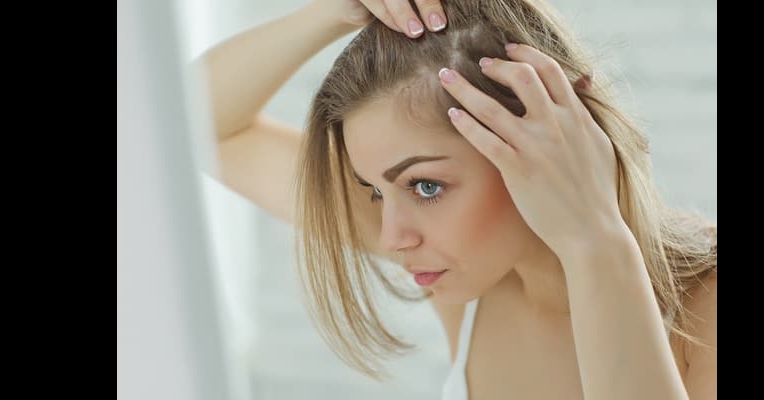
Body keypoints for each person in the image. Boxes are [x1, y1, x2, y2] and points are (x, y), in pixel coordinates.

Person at [197, 0, 716, 399]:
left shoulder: (705, 307)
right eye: (375, 190)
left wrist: (594, 239)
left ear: (559, 131)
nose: (391, 236)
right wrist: (337, 11)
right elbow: (196, 129)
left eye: (426, 186)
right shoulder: (473, 281)